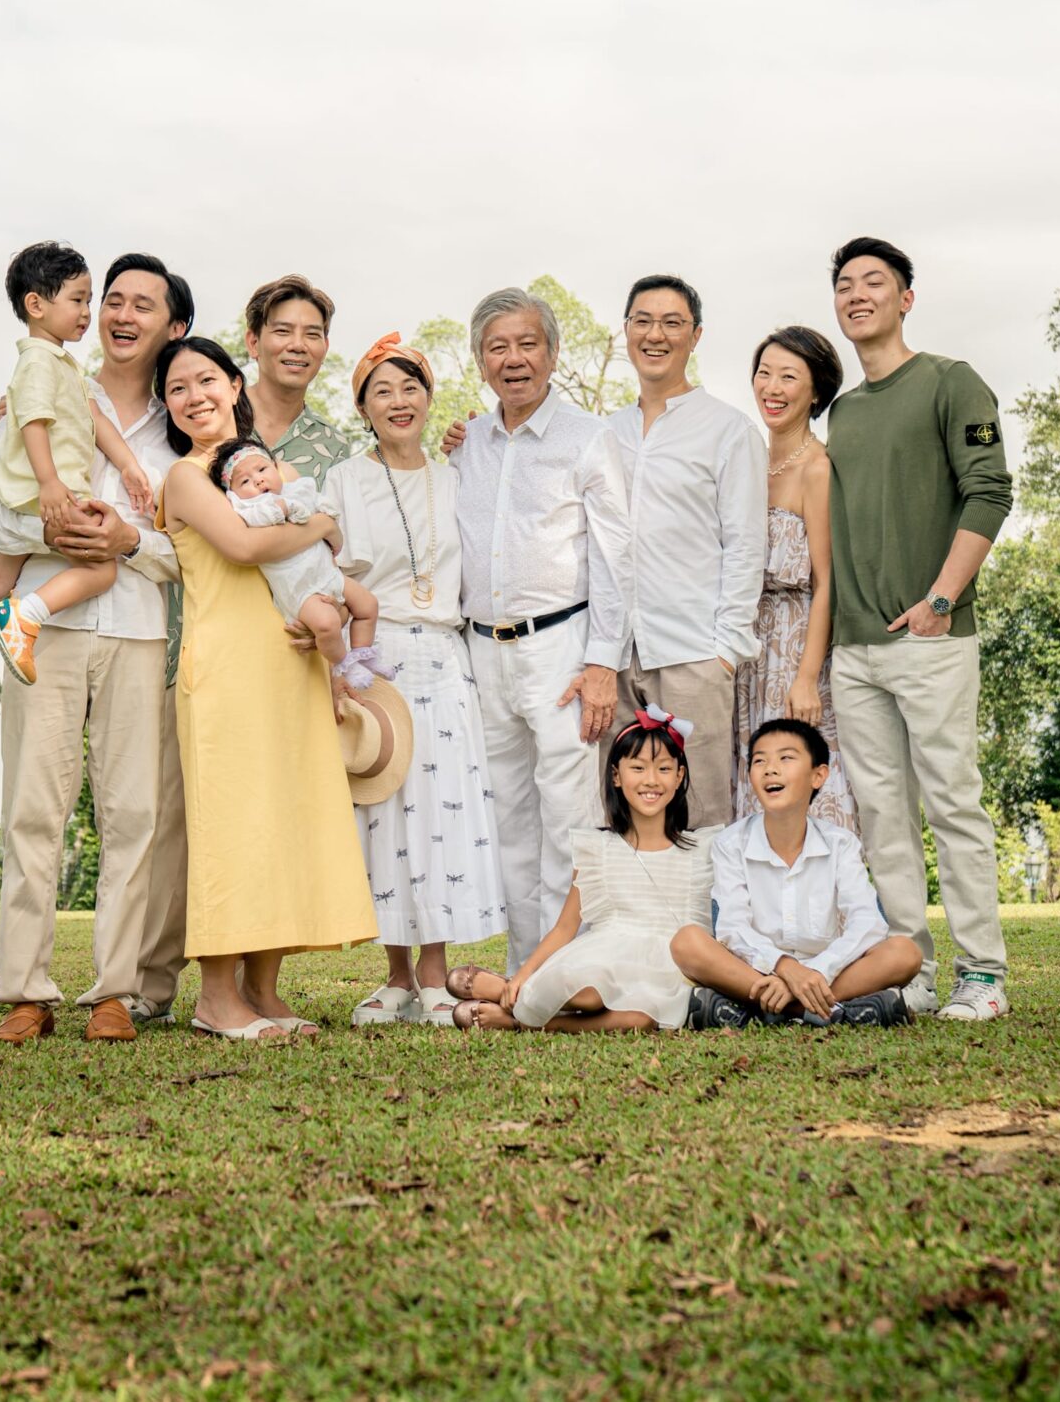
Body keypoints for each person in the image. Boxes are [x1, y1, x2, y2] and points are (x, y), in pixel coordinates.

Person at [0, 252, 197, 1046]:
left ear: (174, 326)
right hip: (43, 628)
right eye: (111, 301)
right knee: (33, 809)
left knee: (134, 816)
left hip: (137, 635)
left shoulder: (186, 428)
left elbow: (194, 556)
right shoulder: (44, 387)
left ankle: (115, 992)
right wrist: (48, 528)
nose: (121, 315)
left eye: (142, 305)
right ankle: (26, 990)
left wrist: (129, 539)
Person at [154, 334, 380, 1040]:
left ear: (234, 383)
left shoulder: (265, 465)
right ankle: (216, 999)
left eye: (206, 380)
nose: (195, 397)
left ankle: (264, 989)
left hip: (289, 661)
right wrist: (318, 520)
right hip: (224, 669)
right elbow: (247, 544)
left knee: (284, 822)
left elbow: (326, 547)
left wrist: (321, 526)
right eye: (177, 389)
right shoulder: (187, 477)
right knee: (233, 828)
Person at [824, 236, 1015, 1021]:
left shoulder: (950, 382)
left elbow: (990, 494)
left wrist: (940, 600)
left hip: (930, 639)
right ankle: (910, 969)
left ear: (906, 297)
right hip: (853, 649)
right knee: (882, 817)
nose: (856, 294)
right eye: (844, 284)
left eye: (874, 281)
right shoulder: (842, 411)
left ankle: (984, 973)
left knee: (952, 805)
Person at [319, 334, 509, 1026]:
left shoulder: (456, 472)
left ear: (430, 399)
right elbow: (320, 564)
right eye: (381, 392)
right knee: (386, 812)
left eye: (410, 389)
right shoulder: (344, 479)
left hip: (448, 656)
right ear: (364, 407)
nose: (399, 403)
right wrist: (342, 659)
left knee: (440, 809)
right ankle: (397, 976)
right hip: (377, 653)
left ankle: (436, 975)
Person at [445, 286, 633, 973]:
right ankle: (528, 969)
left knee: (570, 817)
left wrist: (602, 663)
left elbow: (617, 560)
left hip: (562, 648)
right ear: (480, 360)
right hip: (483, 650)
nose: (514, 359)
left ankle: (571, 969)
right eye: (498, 346)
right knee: (508, 821)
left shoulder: (588, 437)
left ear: (552, 353)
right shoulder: (468, 444)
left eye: (527, 344)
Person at [0, 244, 156, 704]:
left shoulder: (61, 366)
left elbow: (94, 419)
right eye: (78, 300)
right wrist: (50, 484)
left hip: (19, 497)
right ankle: (27, 615)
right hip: (45, 498)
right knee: (101, 567)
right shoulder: (39, 362)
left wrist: (128, 465)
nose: (87, 312)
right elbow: (34, 421)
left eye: (87, 299)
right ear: (36, 304)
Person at [605, 273, 765, 830]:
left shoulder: (728, 430)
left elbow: (747, 546)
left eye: (672, 323)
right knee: (622, 813)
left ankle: (705, 921)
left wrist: (724, 651)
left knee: (699, 816)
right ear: (625, 331)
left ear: (695, 336)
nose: (656, 335)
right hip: (618, 655)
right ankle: (636, 921)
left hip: (695, 652)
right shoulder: (605, 433)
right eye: (643, 321)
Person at [444, 709, 711, 1032]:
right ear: (616, 776)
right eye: (638, 768)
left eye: (664, 769)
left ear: (679, 776)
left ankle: (524, 1020)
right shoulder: (598, 849)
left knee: (642, 1019)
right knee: (588, 993)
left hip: (667, 967)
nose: (651, 780)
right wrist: (525, 972)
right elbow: (565, 928)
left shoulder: (702, 849)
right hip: (607, 956)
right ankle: (516, 989)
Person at [673, 718, 919, 1028]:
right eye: (760, 760)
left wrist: (815, 971)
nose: (770, 769)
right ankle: (828, 1011)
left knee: (905, 953)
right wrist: (784, 967)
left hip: (825, 972)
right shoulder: (730, 842)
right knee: (687, 943)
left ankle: (763, 1010)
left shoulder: (840, 843)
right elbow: (732, 927)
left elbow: (867, 922)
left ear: (818, 776)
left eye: (786, 758)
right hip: (756, 970)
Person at [732, 327, 859, 832]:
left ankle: (826, 907)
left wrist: (807, 678)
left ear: (816, 393)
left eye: (789, 377)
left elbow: (827, 581)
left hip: (796, 645)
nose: (772, 388)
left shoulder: (818, 467)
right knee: (753, 778)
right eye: (764, 374)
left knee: (799, 772)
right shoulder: (745, 458)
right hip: (745, 648)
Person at [210, 439, 382, 691]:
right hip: (301, 588)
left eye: (261, 470)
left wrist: (326, 515)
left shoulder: (296, 489)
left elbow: (323, 509)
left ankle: (362, 654)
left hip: (327, 574)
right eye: (244, 481)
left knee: (368, 605)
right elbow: (270, 519)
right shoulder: (249, 509)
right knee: (326, 624)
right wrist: (284, 510)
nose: (257, 481)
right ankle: (344, 664)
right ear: (234, 494)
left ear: (274, 468)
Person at [243, 274, 354, 481]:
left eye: (312, 335)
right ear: (253, 342)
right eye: (283, 331)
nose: (298, 346)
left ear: (325, 347)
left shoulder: (333, 446)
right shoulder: (215, 418)